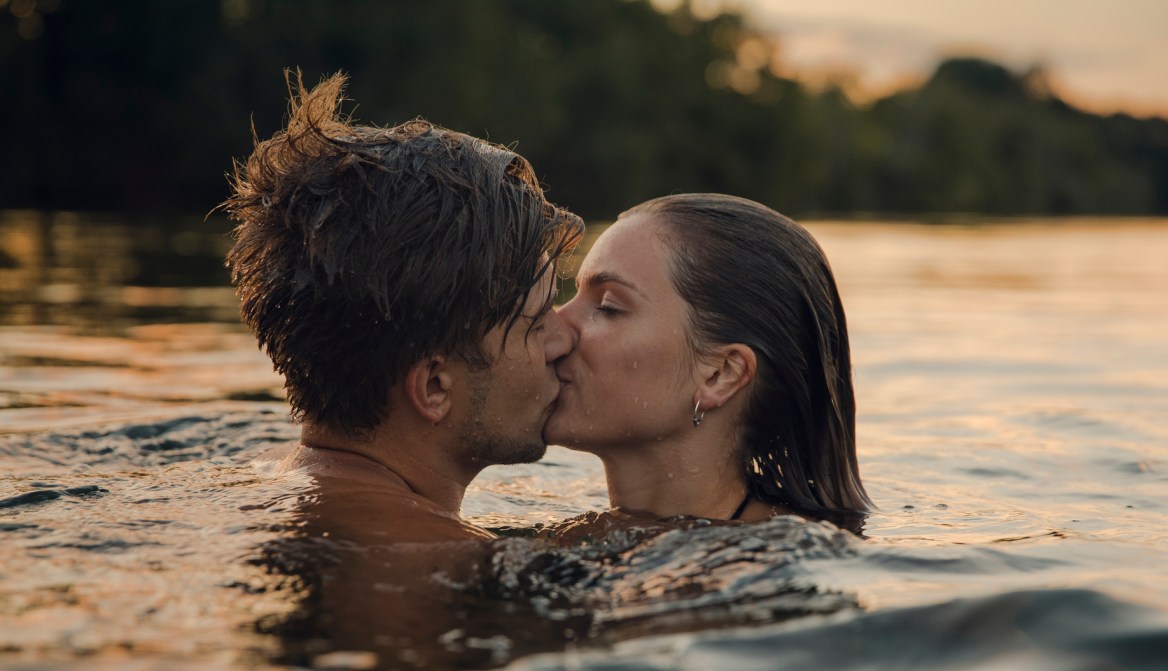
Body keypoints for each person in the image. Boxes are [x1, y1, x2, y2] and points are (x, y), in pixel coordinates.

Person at [223, 72, 583, 544]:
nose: (566, 338)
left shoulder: (259, 475)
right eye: (536, 324)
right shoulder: (428, 554)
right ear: (433, 386)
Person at [545, 193, 870, 530]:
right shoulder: (590, 535)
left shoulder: (763, 557)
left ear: (720, 374)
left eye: (608, 307)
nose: (556, 326)